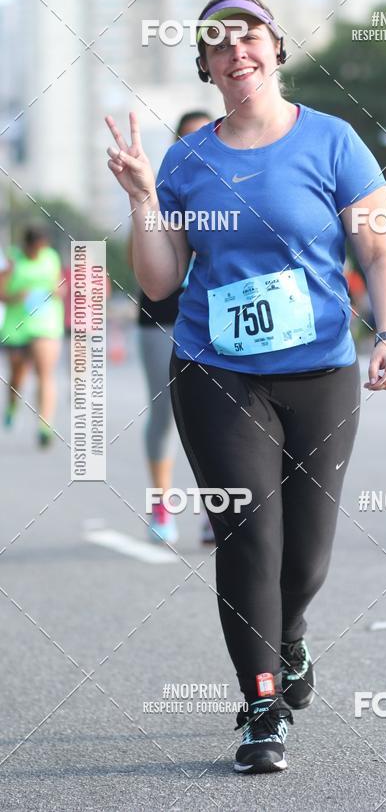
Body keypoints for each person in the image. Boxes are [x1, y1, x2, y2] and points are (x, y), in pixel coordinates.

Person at [105, 0, 386, 775]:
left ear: (275, 48)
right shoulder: (187, 160)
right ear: (204, 65)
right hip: (217, 374)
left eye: (250, 37)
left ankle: (292, 636)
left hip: (321, 373)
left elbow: (377, 253)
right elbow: (163, 280)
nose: (236, 51)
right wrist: (143, 199)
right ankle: (260, 705)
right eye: (218, 43)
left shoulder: (333, 142)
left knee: (304, 560)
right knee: (249, 536)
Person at [130, 109, 216, 546]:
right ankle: (161, 505)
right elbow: (145, 261)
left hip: (217, 317)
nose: (197, 145)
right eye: (187, 139)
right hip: (161, 317)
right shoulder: (160, 190)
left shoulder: (235, 189)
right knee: (165, 414)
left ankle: (216, 512)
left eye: (206, 136)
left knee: (220, 422)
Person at [0, 225, 64, 447]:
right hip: (17, 326)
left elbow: (59, 285)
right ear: (26, 246)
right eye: (35, 249)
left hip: (45, 324)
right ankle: (12, 405)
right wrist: (17, 295)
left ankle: (44, 426)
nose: (39, 252)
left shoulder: (51, 258)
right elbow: (1, 293)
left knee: (45, 373)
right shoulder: (13, 259)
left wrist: (58, 291)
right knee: (18, 375)